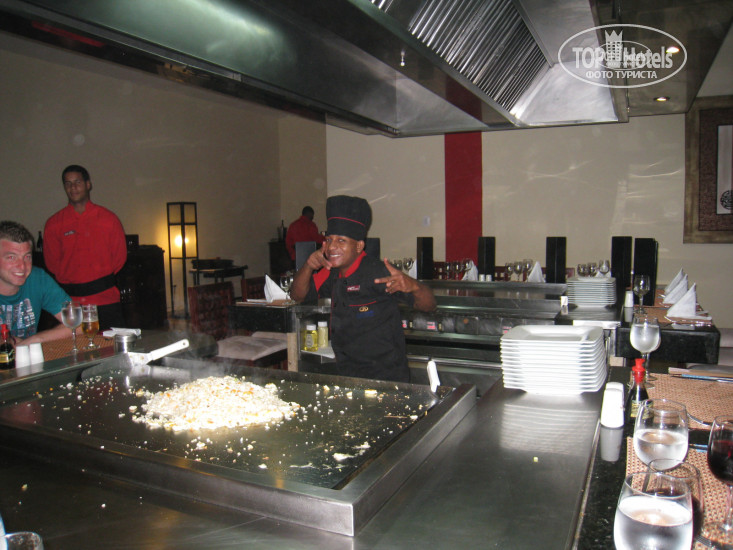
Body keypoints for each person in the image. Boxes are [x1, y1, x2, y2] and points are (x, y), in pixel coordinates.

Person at [290, 195, 436, 382]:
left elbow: (430, 305)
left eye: (341, 240)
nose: (332, 246)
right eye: (329, 239)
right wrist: (308, 265)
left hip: (386, 379)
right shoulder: (331, 272)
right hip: (348, 375)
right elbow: (298, 296)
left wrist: (414, 287)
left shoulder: (378, 272)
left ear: (359, 246)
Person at [44, 165, 127, 330]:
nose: (73, 187)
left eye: (78, 182)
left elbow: (119, 258)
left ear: (88, 184)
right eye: (68, 183)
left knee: (111, 343)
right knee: (73, 345)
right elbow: (52, 263)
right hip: (71, 303)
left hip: (105, 299)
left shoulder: (108, 219)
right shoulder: (54, 224)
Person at [0, 221, 73, 344]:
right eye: (11, 257)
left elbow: (77, 323)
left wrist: (34, 340)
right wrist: (7, 342)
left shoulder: (38, 278)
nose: (22, 266)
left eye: (27, 257)